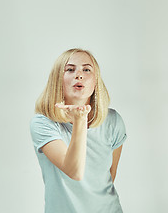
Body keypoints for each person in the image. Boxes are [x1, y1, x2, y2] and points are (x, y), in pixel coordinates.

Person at [30, 48, 127, 213]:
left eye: (86, 69)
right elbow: (74, 171)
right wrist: (80, 119)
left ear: (95, 81)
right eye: (70, 69)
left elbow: (109, 176)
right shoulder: (43, 123)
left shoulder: (113, 121)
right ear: (58, 79)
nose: (79, 75)